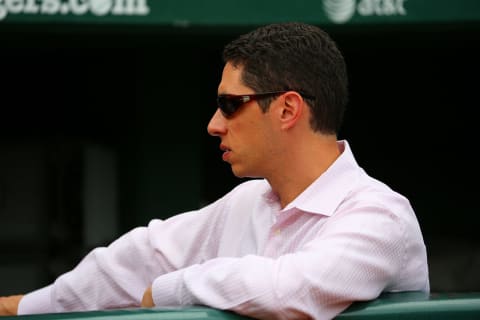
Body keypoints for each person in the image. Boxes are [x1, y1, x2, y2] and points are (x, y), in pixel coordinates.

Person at [0, 22, 429, 319]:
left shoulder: (380, 214)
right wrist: (19, 308)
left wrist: (171, 289)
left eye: (229, 104)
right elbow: (133, 261)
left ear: (287, 108)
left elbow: (288, 291)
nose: (213, 124)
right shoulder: (249, 199)